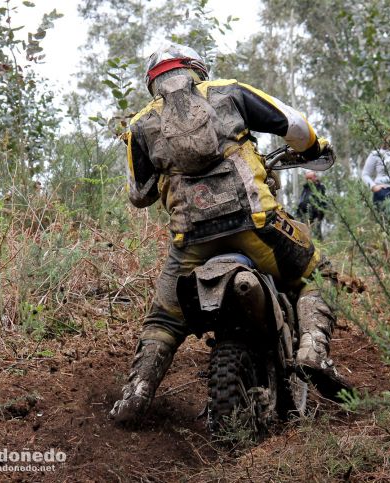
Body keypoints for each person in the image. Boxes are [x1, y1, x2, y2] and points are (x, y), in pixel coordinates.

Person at [110, 42, 345, 423]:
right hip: (257, 225)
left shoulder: (141, 125)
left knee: (164, 321)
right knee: (316, 273)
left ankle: (136, 395)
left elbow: (139, 195)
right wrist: (312, 146)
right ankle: (313, 352)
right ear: (197, 70)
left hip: (192, 244)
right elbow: (295, 125)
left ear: (152, 83)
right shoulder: (229, 92)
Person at [296, 171, 327, 239]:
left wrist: (321, 211)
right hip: (305, 214)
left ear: (315, 177)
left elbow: (324, 200)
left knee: (317, 231)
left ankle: (319, 246)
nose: (308, 180)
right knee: (304, 232)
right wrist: (299, 211)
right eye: (307, 178)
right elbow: (302, 200)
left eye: (310, 178)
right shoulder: (305, 188)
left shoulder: (320, 187)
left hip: (316, 214)